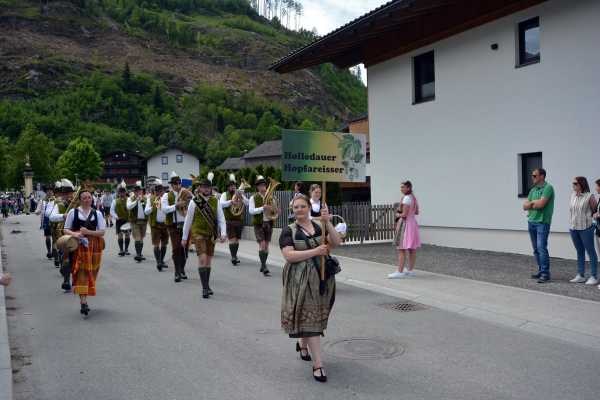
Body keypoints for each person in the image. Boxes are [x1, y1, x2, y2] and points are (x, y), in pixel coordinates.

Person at [280, 195, 342, 383]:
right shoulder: (288, 231)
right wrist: (315, 251)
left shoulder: (318, 226)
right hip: (301, 280)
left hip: (323, 278)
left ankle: (302, 344)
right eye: (295, 207)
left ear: (308, 207)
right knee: (311, 318)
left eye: (302, 206)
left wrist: (327, 222)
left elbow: (336, 242)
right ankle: (318, 365)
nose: (299, 209)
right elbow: (289, 256)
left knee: (315, 315)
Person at [63, 189, 106, 316]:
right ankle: (83, 302)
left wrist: (88, 232)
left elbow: (102, 232)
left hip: (94, 247)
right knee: (81, 272)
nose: (88, 200)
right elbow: (66, 229)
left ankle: (85, 297)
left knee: (92, 272)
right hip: (79, 246)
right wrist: (75, 234)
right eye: (85, 198)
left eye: (89, 197)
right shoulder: (73, 212)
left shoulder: (97, 213)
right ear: (80, 200)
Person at [182, 176, 227, 298]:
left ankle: (207, 285)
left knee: (208, 261)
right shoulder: (194, 201)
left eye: (208, 187)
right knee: (202, 259)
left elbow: (221, 218)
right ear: (200, 188)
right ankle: (204, 288)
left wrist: (223, 233)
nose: (206, 189)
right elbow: (188, 220)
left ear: (211, 188)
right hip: (198, 233)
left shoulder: (215, 201)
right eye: (204, 187)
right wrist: (184, 237)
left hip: (210, 234)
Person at [523, 168, 555, 283]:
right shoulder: (533, 190)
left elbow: (541, 204)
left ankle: (545, 274)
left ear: (542, 176)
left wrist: (532, 203)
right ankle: (541, 270)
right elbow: (524, 206)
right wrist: (533, 204)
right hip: (531, 221)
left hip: (542, 222)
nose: (532, 177)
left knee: (541, 247)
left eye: (534, 176)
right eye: (532, 175)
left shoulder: (548, 188)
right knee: (536, 249)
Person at [568, 177, 598, 285]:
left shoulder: (590, 196)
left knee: (591, 251)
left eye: (575, 183)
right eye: (573, 183)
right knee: (579, 251)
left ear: (581, 184)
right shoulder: (572, 196)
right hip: (574, 228)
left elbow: (595, 211)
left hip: (586, 228)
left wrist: (593, 223)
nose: (573, 185)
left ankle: (594, 276)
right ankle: (580, 275)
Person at [161, 172, 190, 282]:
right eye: (175, 184)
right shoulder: (166, 195)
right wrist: (176, 206)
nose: (177, 185)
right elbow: (164, 209)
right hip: (173, 225)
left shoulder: (186, 193)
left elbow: (193, 205)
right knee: (176, 248)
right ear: (171, 185)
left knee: (185, 249)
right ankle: (177, 272)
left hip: (186, 225)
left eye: (178, 183)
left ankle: (182, 269)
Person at [388, 180, 421, 279]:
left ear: (408, 188)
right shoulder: (413, 198)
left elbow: (404, 215)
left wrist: (397, 214)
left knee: (401, 248)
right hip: (413, 224)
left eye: (403, 187)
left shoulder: (406, 198)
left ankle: (400, 271)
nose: (401, 189)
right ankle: (410, 270)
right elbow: (417, 212)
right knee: (412, 249)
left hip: (405, 225)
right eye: (401, 187)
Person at [49, 179, 76, 290]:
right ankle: (66, 281)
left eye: (69, 193)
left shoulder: (77, 203)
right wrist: (63, 216)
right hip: (63, 233)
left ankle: (73, 276)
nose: (67, 195)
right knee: (66, 257)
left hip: (77, 233)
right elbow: (51, 216)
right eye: (65, 193)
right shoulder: (58, 204)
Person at [220, 175, 249, 266]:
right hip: (229, 220)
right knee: (232, 239)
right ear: (228, 187)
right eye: (231, 186)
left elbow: (247, 203)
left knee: (236, 240)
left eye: (234, 186)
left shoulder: (239, 194)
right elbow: (221, 204)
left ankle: (235, 256)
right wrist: (230, 202)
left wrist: (242, 197)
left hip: (238, 220)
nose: (233, 187)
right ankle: (233, 257)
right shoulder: (225, 194)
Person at [249, 175, 274, 277]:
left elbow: (274, 209)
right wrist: (262, 208)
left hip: (269, 222)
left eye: (264, 185)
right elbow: (251, 211)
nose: (263, 187)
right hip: (259, 224)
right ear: (257, 187)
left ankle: (263, 264)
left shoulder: (271, 196)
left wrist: (275, 210)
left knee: (267, 245)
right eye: (261, 185)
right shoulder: (253, 197)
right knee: (262, 244)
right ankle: (264, 266)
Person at [145, 180, 169, 271]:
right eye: (157, 191)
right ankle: (158, 262)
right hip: (155, 225)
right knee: (156, 244)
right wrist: (154, 205)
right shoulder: (150, 199)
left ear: (163, 191)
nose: (159, 193)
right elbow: (146, 211)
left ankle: (161, 260)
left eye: (161, 191)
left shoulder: (167, 199)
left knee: (164, 244)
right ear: (154, 192)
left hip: (165, 225)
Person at [127, 181, 149, 262]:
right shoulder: (130, 199)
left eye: (139, 191)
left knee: (142, 238)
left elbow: (147, 209)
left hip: (144, 221)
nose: (138, 192)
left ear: (141, 191)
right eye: (136, 191)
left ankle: (140, 253)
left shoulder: (145, 199)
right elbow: (129, 207)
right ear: (134, 192)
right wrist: (136, 200)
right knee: (138, 237)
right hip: (134, 221)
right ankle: (138, 254)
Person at [110, 182, 131, 257]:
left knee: (127, 235)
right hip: (119, 220)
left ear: (125, 192)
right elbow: (111, 210)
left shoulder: (129, 200)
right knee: (120, 235)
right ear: (118, 193)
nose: (122, 193)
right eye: (120, 192)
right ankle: (121, 250)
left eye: (123, 192)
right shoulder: (115, 201)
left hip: (127, 220)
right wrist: (116, 217)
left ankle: (126, 249)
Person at [36, 185, 56, 260]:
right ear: (46, 192)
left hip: (55, 220)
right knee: (48, 237)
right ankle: (49, 251)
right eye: (48, 191)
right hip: (46, 220)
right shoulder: (43, 200)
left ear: (53, 192)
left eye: (51, 191)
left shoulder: (56, 200)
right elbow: (38, 209)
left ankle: (54, 250)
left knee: (54, 237)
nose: (49, 192)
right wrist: (37, 211)